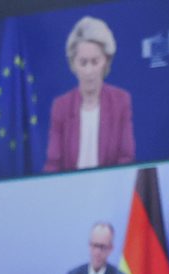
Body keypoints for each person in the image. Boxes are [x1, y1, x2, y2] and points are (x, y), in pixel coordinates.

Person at [44, 16, 135, 173]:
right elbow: (53, 163)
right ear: (73, 64)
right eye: (83, 62)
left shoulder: (121, 101)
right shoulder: (61, 106)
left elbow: (126, 157)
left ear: (106, 62)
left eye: (95, 62)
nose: (89, 71)